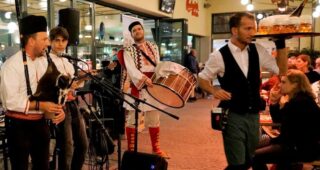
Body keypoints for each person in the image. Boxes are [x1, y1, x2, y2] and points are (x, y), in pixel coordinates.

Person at [198, 12, 286, 169]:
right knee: (237, 163)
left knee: (251, 159)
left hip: (253, 116)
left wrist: (281, 44)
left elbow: (281, 70)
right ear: (234, 30)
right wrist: (213, 90)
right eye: (248, 28)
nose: (253, 33)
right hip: (232, 115)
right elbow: (202, 78)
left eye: (254, 28)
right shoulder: (218, 56)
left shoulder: (257, 50)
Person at [0, 15, 65, 170]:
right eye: (44, 39)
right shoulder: (11, 65)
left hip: (40, 124)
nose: (48, 43)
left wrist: (58, 110)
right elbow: (10, 101)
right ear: (31, 41)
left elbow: (51, 91)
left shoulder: (44, 63)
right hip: (18, 126)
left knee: (43, 166)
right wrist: (41, 105)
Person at [252, 69, 320, 170]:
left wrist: (273, 140)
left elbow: (281, 124)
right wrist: (274, 102)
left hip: (301, 148)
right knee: (253, 148)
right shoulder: (299, 99)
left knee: (254, 156)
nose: (279, 85)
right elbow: (278, 119)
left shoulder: (300, 102)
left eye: (283, 82)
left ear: (295, 84)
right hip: (294, 144)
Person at [123, 21, 169, 158]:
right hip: (136, 86)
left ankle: (156, 148)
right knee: (132, 118)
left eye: (139, 29)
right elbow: (131, 69)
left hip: (152, 86)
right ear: (132, 34)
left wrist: (161, 76)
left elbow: (158, 64)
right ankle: (130, 150)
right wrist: (143, 79)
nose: (137, 31)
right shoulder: (128, 50)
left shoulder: (153, 46)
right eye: (134, 31)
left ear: (143, 30)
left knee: (154, 118)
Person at [48, 26, 88, 170]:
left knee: (83, 144)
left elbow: (73, 85)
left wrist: (85, 77)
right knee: (67, 147)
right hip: (59, 105)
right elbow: (53, 86)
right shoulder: (47, 61)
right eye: (57, 40)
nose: (60, 44)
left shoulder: (68, 62)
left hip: (73, 104)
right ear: (50, 41)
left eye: (63, 40)